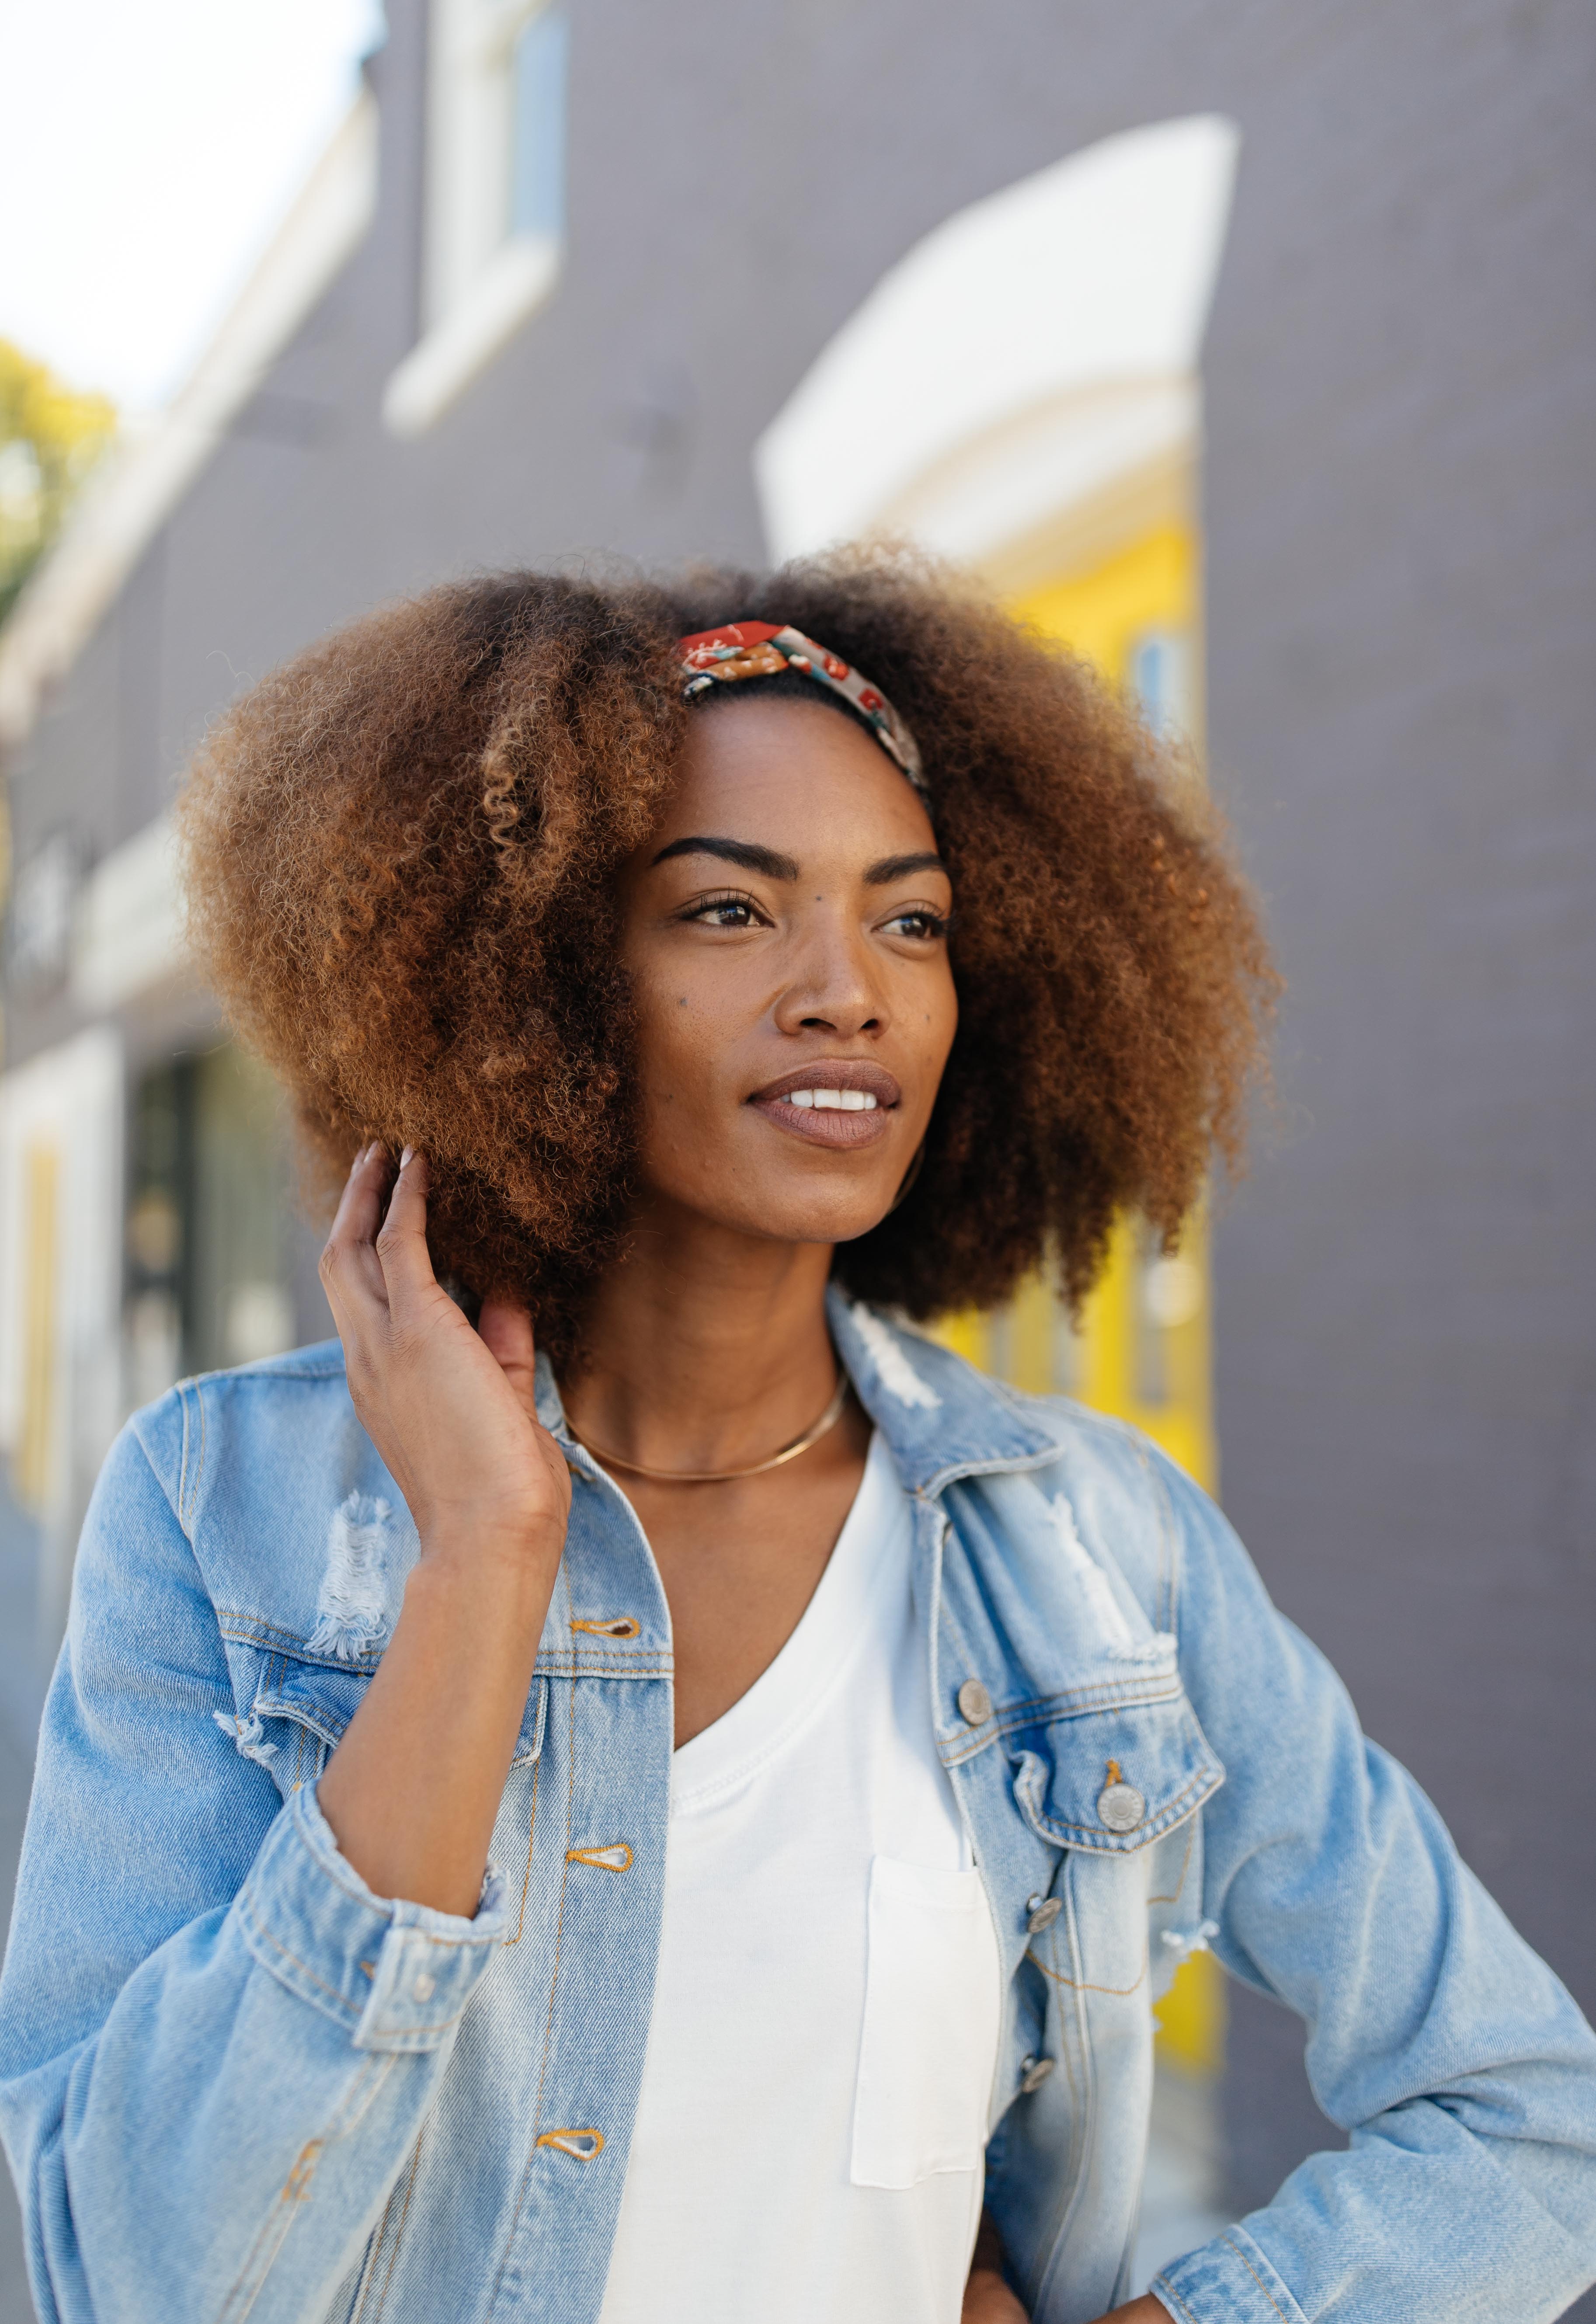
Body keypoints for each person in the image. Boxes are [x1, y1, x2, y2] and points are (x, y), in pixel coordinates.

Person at [0, 558, 1593, 2324]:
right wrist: (482, 1558)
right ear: (538, 980)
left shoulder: (1093, 1550)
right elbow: (120, 2276)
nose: (850, 990)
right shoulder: (229, 1512)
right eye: (727, 909)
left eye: (910, 923)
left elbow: (1530, 2120)